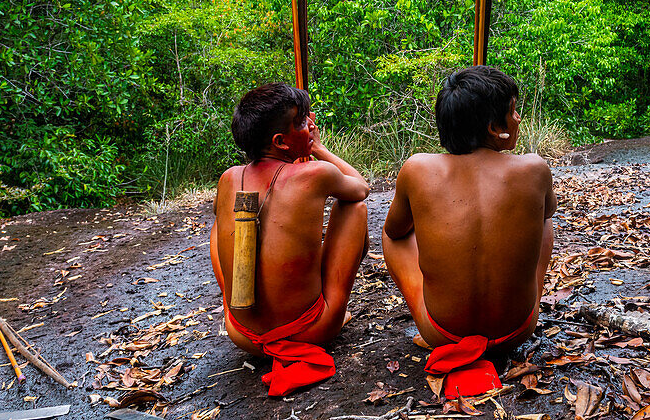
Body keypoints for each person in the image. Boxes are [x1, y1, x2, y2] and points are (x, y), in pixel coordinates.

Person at [382, 66, 556, 399]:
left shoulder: (417, 168)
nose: (518, 118)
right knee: (545, 218)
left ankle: (431, 300)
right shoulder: (534, 168)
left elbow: (394, 231)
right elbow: (547, 213)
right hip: (517, 330)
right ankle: (532, 295)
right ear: (494, 128)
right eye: (513, 111)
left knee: (395, 236)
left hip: (441, 332)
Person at [210, 83, 369, 397]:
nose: (308, 127)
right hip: (310, 332)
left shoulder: (229, 177)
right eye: (300, 124)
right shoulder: (316, 173)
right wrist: (319, 148)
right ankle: (332, 309)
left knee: (220, 221)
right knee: (355, 208)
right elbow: (360, 187)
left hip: (242, 334)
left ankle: (244, 308)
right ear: (280, 142)